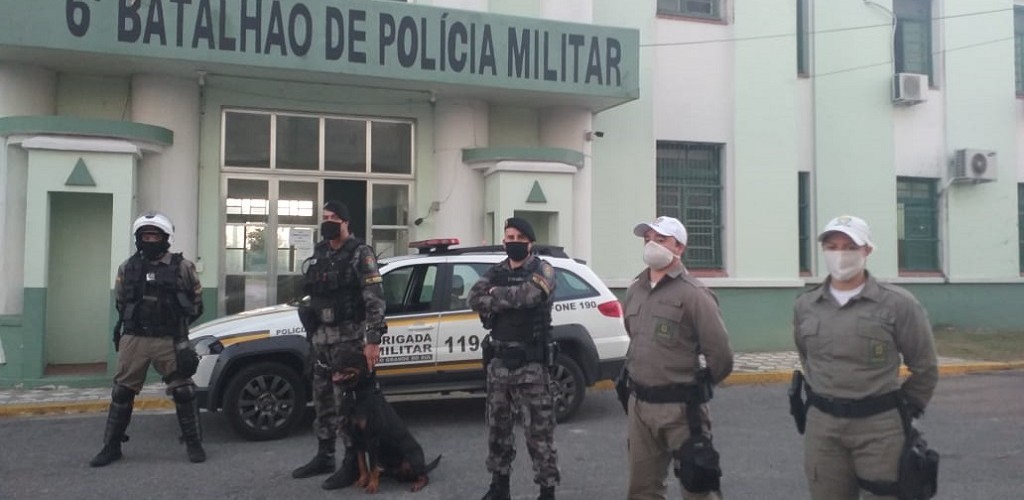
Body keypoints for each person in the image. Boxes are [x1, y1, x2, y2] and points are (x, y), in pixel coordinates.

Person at [793, 215, 938, 500]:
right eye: (832, 246)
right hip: (823, 427)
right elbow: (807, 358)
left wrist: (905, 408)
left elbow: (926, 368)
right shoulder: (806, 305)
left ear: (867, 251)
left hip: (880, 427)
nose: (840, 254)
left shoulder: (898, 304)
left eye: (849, 246)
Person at [622, 216, 733, 500]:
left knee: (697, 487)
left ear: (679, 247)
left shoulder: (694, 294)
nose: (651, 245)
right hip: (640, 407)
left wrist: (697, 386)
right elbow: (634, 338)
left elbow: (720, 355)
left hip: (682, 410)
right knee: (642, 490)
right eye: (648, 239)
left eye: (660, 240)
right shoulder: (635, 289)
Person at [89, 211, 205, 467]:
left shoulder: (183, 267)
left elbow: (197, 304)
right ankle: (111, 447)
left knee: (184, 391)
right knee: (122, 393)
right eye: (146, 235)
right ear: (138, 238)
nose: (150, 239)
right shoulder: (127, 267)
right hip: (135, 339)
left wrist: (178, 330)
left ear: (166, 238)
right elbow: (121, 301)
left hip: (169, 339)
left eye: (155, 235)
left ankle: (194, 443)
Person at [292, 200, 388, 490]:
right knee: (322, 400)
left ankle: (350, 463)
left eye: (334, 217)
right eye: (324, 217)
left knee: (346, 405)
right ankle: (324, 455)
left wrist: (372, 342)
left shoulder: (361, 253)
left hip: (348, 340)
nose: (328, 222)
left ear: (346, 222)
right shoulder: (320, 252)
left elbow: (375, 300)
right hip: (321, 338)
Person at [469, 217, 559, 500]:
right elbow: (473, 298)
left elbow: (531, 295)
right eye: (509, 236)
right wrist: (505, 296)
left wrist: (496, 295)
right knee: (498, 430)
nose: (513, 241)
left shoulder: (543, 269)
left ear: (530, 242)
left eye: (520, 236)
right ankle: (499, 487)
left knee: (539, 435)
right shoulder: (495, 271)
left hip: (531, 365)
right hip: (498, 366)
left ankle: (546, 491)